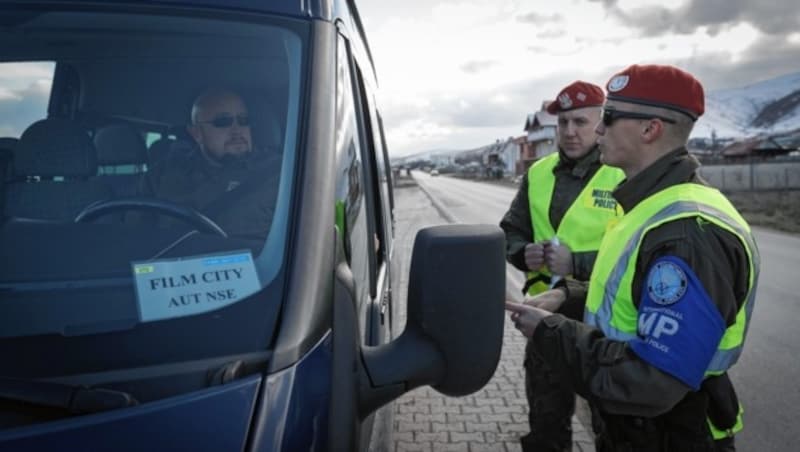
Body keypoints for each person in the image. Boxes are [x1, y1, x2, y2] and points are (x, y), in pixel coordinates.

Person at [506, 64, 760, 452]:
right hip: (640, 429)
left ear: (650, 129)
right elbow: (630, 287)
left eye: (607, 118)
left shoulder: (687, 232)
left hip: (672, 433)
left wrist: (551, 331)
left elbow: (648, 380)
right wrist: (569, 297)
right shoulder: (649, 203)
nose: (597, 130)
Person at [499, 81, 624, 452]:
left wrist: (578, 262)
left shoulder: (623, 173)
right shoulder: (538, 173)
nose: (570, 132)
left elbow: (639, 252)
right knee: (546, 422)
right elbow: (510, 231)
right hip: (546, 321)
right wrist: (523, 254)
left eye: (580, 122)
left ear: (602, 123)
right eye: (563, 123)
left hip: (603, 323)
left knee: (613, 425)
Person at [140, 88, 280, 239]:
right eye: (223, 122)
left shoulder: (281, 174)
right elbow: (134, 237)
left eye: (243, 120)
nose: (237, 130)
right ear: (196, 133)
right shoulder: (161, 175)